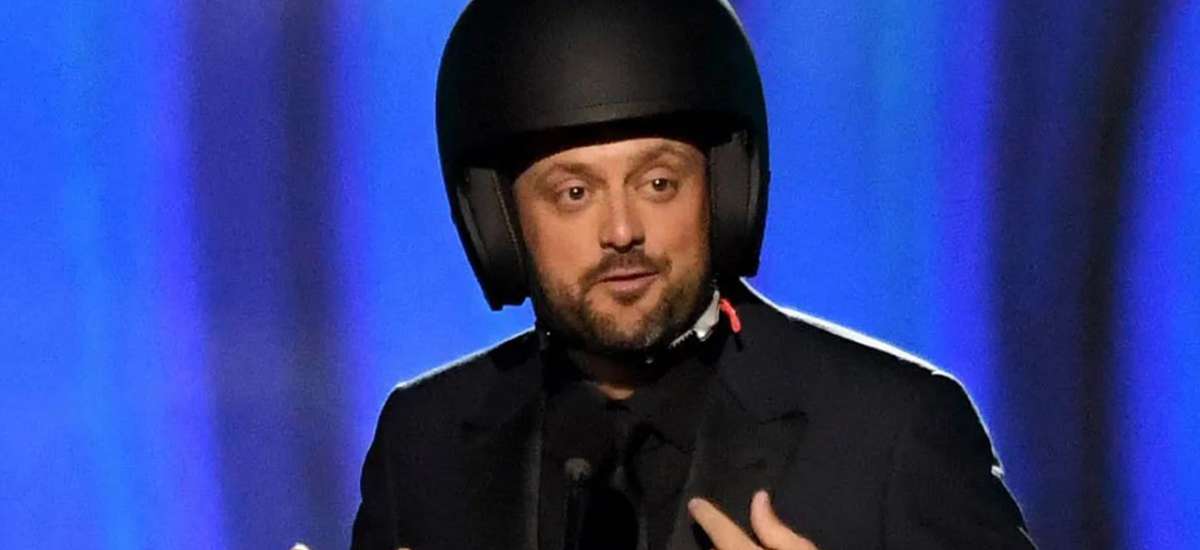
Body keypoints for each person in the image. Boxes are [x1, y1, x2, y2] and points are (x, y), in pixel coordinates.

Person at [351, 1, 1035, 549]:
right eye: (574, 193)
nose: (622, 231)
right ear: (499, 224)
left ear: (726, 193)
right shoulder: (424, 440)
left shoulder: (894, 430)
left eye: (658, 182)